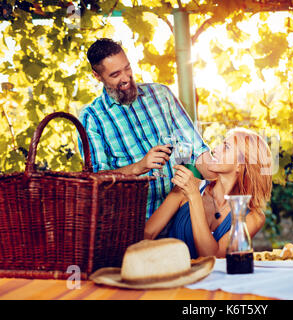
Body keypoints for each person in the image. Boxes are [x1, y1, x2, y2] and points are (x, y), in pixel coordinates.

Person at [78, 38, 216, 220]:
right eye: (115, 74)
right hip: (136, 223)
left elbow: (197, 150)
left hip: (185, 212)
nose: (126, 78)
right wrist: (139, 167)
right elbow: (97, 179)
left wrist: (223, 177)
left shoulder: (161, 95)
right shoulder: (92, 118)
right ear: (97, 76)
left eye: (127, 68)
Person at [144, 128, 273, 258]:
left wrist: (194, 196)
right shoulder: (186, 187)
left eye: (226, 147)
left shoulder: (253, 217)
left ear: (240, 165)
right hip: (171, 275)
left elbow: (214, 257)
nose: (215, 149)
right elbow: (148, 233)